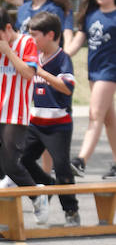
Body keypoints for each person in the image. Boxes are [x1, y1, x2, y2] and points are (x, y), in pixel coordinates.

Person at [0, 7, 40, 219]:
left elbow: (29, 74)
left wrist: (9, 52)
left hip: (14, 113)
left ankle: (36, 196)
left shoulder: (26, 42)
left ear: (8, 28)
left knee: (10, 164)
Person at [22, 13, 80, 226]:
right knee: (21, 161)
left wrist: (41, 72)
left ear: (50, 35)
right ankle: (47, 184)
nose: (31, 39)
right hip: (36, 121)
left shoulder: (63, 58)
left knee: (62, 166)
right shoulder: (33, 55)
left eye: (34, 35)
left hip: (58, 125)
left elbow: (67, 87)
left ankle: (71, 210)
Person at [66, 0, 116, 177]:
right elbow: (77, 43)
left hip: (110, 71)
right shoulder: (90, 15)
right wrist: (57, 57)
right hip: (94, 72)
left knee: (94, 114)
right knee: (108, 119)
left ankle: (80, 160)